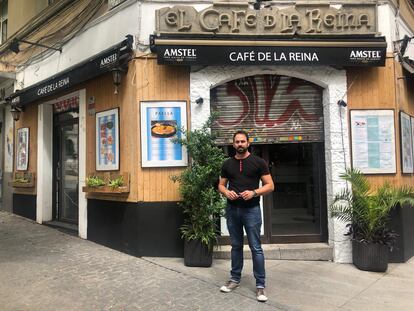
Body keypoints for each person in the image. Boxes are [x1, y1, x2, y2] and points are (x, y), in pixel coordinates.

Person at [218, 130, 274, 302]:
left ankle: (260, 286)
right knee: (235, 246)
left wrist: (254, 193)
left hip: (251, 210)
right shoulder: (227, 163)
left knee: (255, 247)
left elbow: (270, 185)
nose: (240, 144)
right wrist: (227, 193)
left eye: (243, 141)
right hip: (233, 211)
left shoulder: (259, 162)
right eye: (237, 142)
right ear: (233, 144)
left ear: (248, 143)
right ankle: (234, 279)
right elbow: (220, 185)